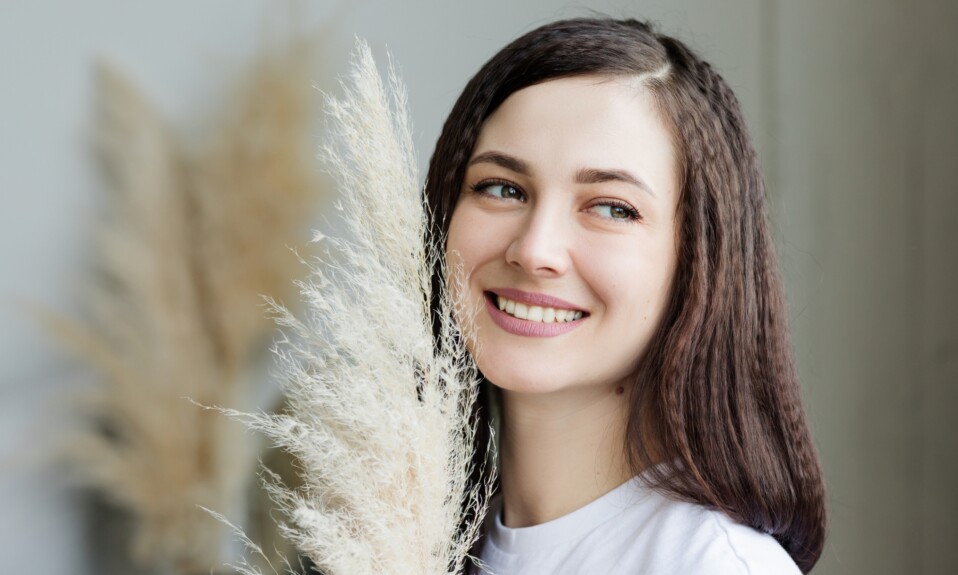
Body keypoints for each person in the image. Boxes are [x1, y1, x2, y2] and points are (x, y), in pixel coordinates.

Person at [425, 17, 826, 574]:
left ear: (696, 261)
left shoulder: (712, 566)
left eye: (613, 207)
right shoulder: (407, 543)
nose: (535, 249)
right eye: (502, 188)